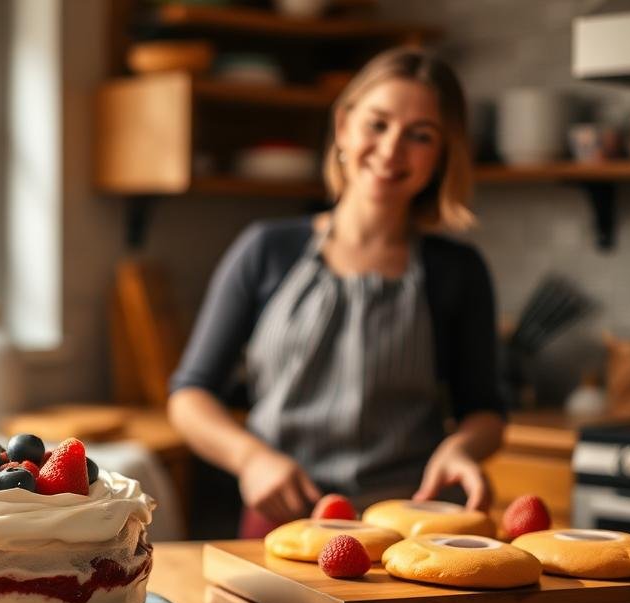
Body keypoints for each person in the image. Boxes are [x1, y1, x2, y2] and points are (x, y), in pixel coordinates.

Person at [166, 47, 507, 538]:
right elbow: (189, 395)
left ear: (442, 154)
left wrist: (461, 449)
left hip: (411, 526)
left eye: (420, 135)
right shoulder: (266, 249)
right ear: (344, 126)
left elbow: (485, 410)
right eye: (378, 124)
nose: (391, 149)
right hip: (284, 521)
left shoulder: (458, 270)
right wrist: (251, 459)